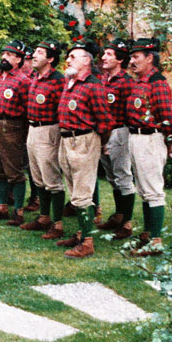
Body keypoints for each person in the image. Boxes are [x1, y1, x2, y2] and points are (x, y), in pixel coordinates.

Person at [56, 40, 113, 258]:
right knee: (73, 188)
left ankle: (87, 242)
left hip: (84, 140)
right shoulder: (70, 83)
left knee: (82, 191)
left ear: (86, 60)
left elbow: (105, 121)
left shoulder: (93, 86)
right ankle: (81, 232)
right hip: (66, 139)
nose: (68, 59)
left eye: (73, 56)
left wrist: (97, 142)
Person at [125, 37, 172, 256]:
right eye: (131, 57)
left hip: (150, 138)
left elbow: (166, 116)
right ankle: (147, 234)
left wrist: (170, 140)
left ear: (150, 58)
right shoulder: (140, 81)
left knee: (153, 190)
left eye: (136, 57)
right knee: (144, 189)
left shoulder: (157, 83)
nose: (131, 61)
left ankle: (156, 240)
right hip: (136, 137)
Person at [20, 40, 67, 236]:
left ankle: (57, 224)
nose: (34, 55)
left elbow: (62, 108)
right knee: (37, 176)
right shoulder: (35, 78)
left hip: (49, 130)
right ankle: (43, 217)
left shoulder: (58, 80)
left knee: (51, 177)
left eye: (39, 52)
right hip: (33, 129)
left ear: (50, 58)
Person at [0, 40, 30, 222]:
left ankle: (18, 211)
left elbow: (27, 109)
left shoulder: (23, 80)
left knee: (14, 170)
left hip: (11, 127)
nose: (4, 57)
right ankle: (1, 207)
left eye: (9, 55)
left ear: (19, 59)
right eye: (3, 54)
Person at [96, 39, 139, 239]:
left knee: (123, 176)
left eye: (109, 54)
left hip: (119, 132)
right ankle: (119, 215)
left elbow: (132, 112)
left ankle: (127, 223)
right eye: (104, 54)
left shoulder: (127, 82)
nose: (104, 58)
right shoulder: (103, 80)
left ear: (120, 60)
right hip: (103, 132)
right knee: (112, 176)